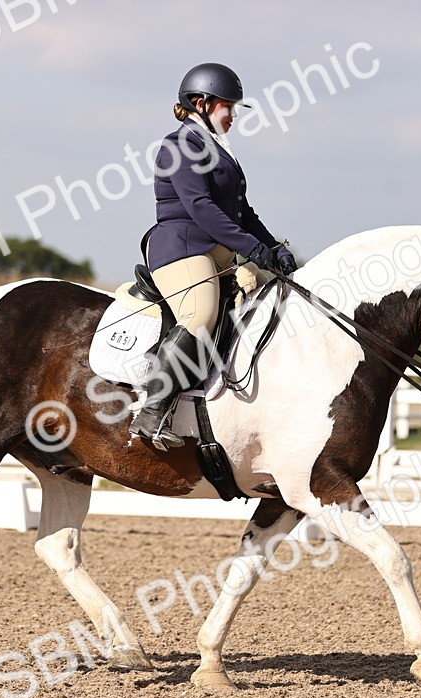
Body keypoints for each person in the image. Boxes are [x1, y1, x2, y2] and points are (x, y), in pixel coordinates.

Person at [130, 62, 298, 450]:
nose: (234, 114)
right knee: (201, 313)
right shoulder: (180, 146)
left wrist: (272, 247)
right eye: (228, 106)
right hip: (182, 246)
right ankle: (152, 412)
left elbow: (244, 212)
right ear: (201, 103)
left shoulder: (218, 149)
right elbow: (201, 207)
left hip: (216, 250)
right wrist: (250, 249)